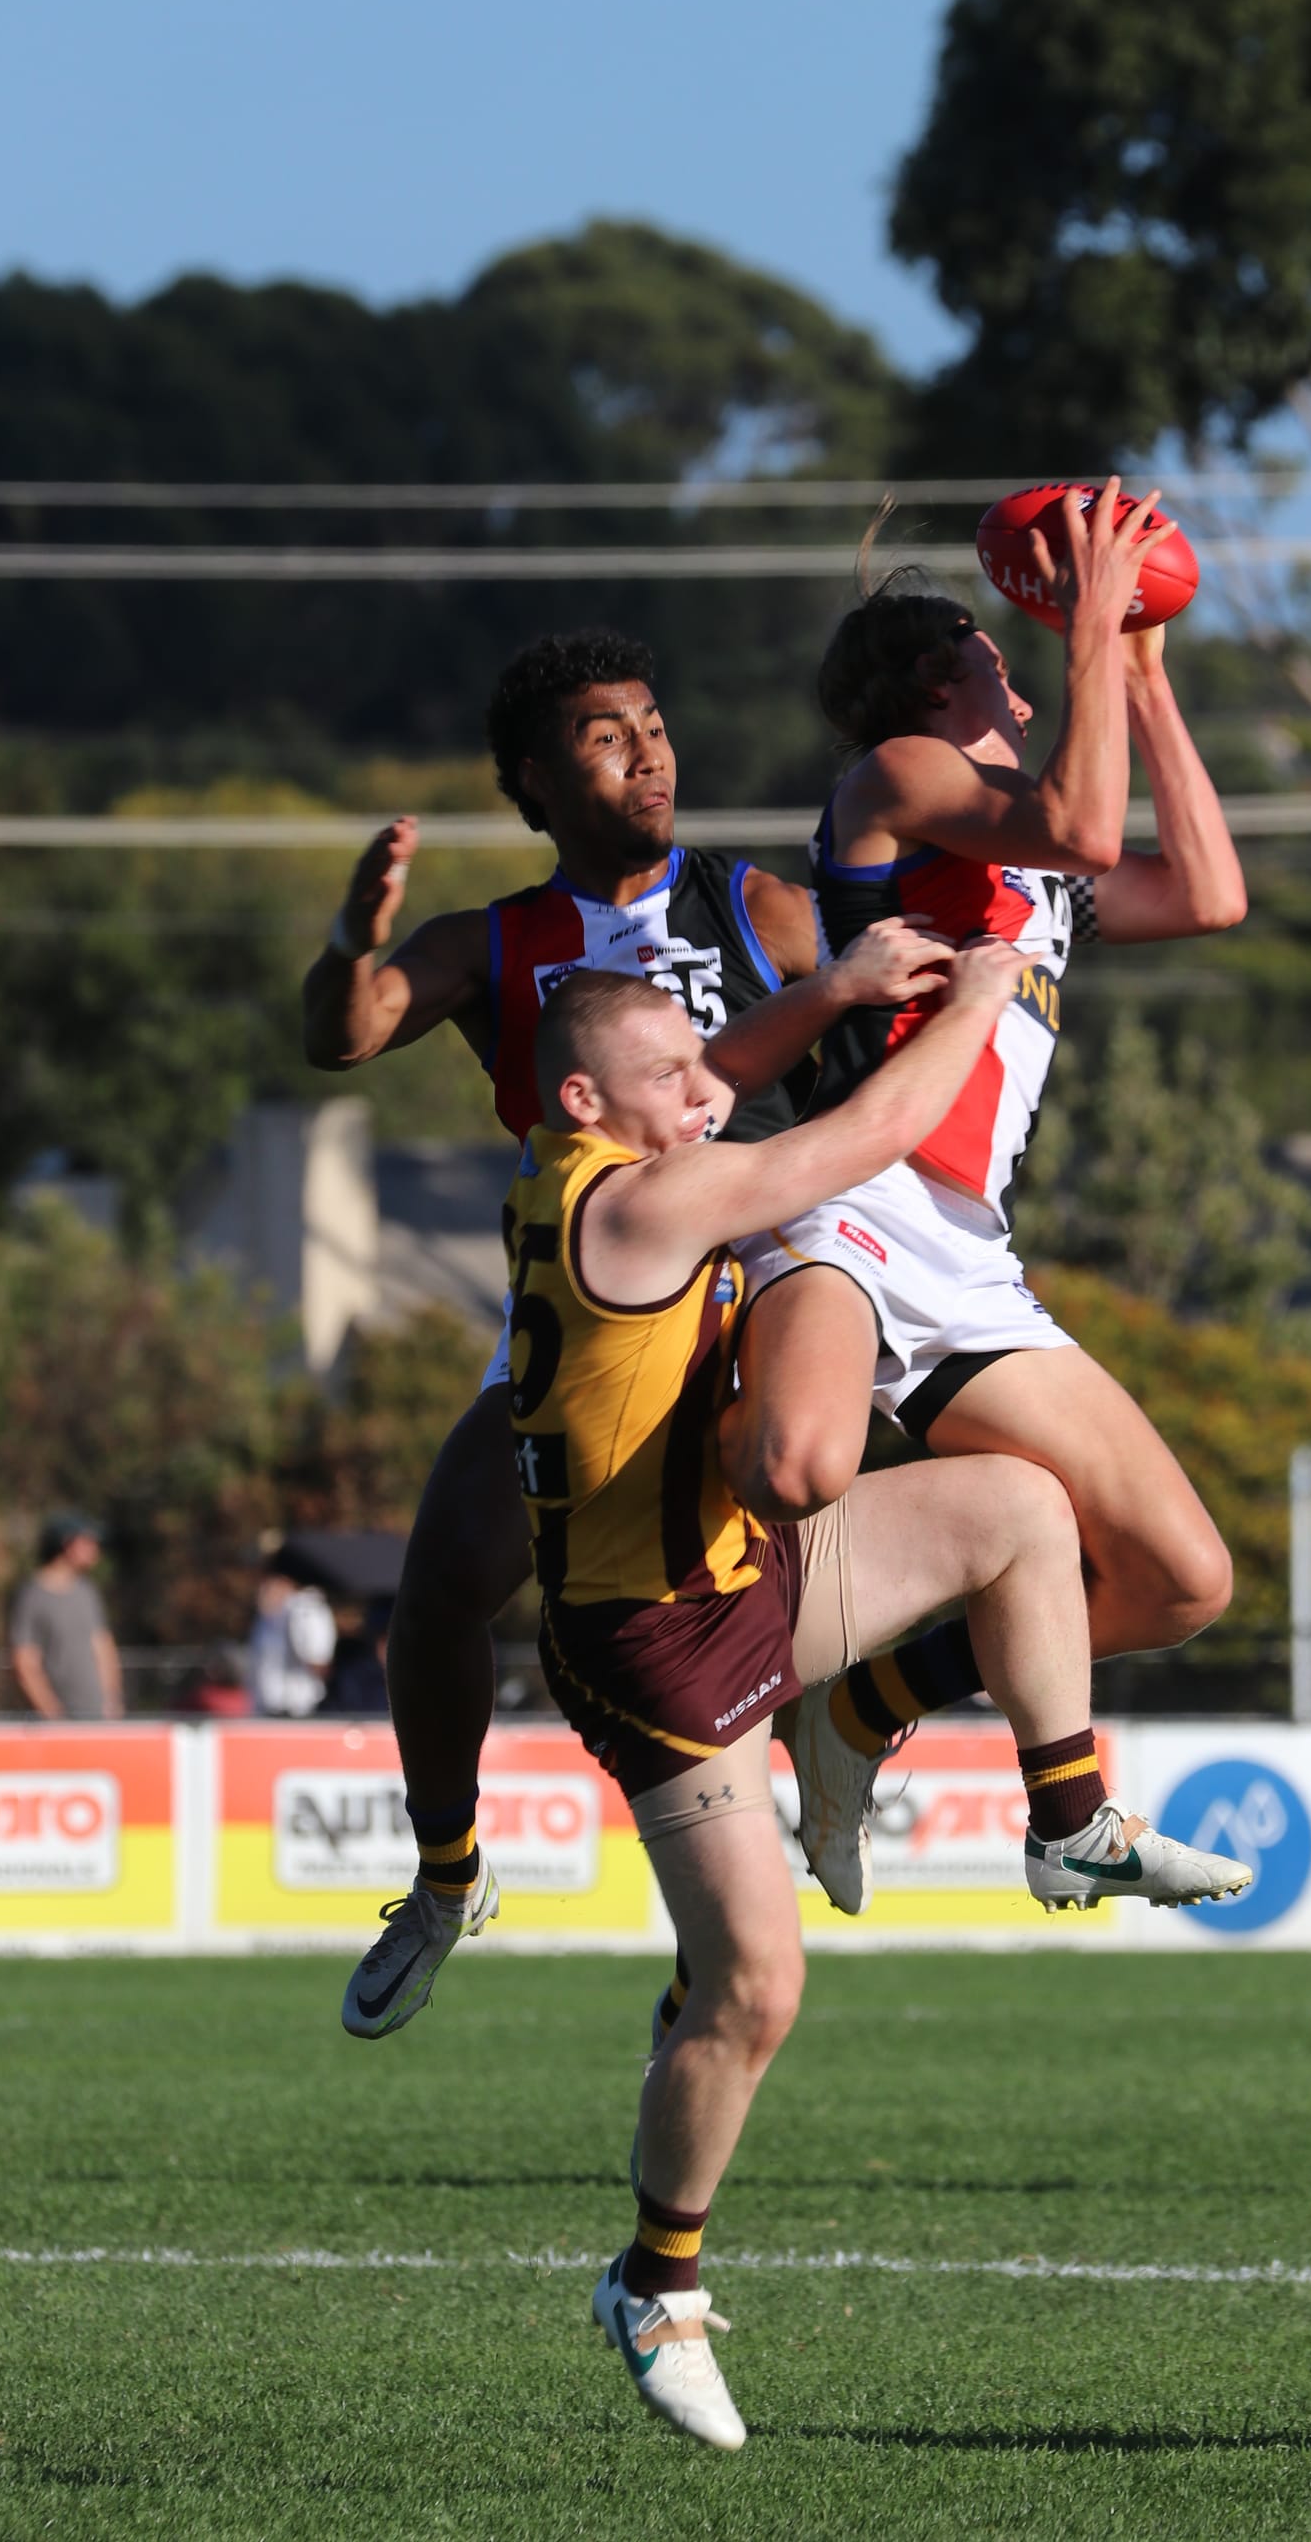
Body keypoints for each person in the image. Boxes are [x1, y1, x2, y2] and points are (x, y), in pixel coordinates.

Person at [511, 958, 1250, 2449]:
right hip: (653, 1645)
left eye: (703, 1067)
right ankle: (655, 2288)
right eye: (673, 1076)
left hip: (744, 1576)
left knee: (1021, 1510)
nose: (704, 1092)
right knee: (759, 1992)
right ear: (583, 1105)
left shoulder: (629, 1176)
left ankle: (1068, 1818)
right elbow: (854, 1143)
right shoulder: (633, 1201)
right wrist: (990, 998)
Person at [301, 626, 945, 2036]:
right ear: (536, 779)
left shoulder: (762, 906)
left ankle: (855, 1763)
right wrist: (357, 936)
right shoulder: (494, 943)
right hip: (596, 1324)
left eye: (655, 721)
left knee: (806, 1489)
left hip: (762, 1276)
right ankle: (446, 1873)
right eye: (607, 732)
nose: (648, 748)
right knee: (438, 1596)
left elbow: (872, 1054)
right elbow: (341, 1037)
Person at [726, 481, 1249, 1907]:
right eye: (991, 659)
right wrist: (1090, 617)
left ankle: (859, 1704)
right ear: (928, 691)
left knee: (1180, 1578)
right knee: (803, 1467)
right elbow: (1086, 826)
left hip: (965, 1250)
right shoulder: (894, 776)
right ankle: (680, 1636)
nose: (1018, 674)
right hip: (848, 1194)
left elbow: (1207, 892)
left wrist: (1138, 661)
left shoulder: (1033, 862)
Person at [9, 1512, 123, 1721]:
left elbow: (103, 1647)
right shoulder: (32, 1595)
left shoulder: (87, 1592)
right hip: (58, 1720)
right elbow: (25, 1661)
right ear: (66, 1544)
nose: (94, 1549)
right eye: (87, 1542)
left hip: (97, 1715)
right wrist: (52, 1713)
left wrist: (112, 1699)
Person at [247, 1570, 336, 1716]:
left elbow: (318, 1661)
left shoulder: (306, 1609)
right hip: (267, 1709)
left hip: (299, 1710)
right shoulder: (265, 1619)